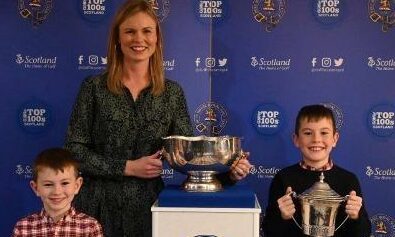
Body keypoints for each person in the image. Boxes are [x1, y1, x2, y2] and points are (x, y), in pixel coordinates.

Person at [64, 1, 252, 236]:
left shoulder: (172, 93)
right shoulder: (93, 88)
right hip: (96, 210)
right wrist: (127, 167)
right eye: (130, 31)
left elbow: (189, 156)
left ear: (157, 39)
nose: (138, 39)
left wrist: (230, 173)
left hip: (150, 211)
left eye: (146, 31)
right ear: (117, 38)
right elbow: (73, 151)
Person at [263, 104, 371, 237]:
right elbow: (269, 231)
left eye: (324, 133)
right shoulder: (283, 178)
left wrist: (356, 217)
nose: (316, 139)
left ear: (335, 139)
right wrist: (283, 217)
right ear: (296, 139)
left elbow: (364, 233)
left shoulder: (349, 180)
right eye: (308, 133)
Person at [12, 148, 103, 237]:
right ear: (36, 188)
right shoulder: (23, 228)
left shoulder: (90, 227)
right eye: (48, 184)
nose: (57, 191)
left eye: (64, 183)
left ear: (77, 185)